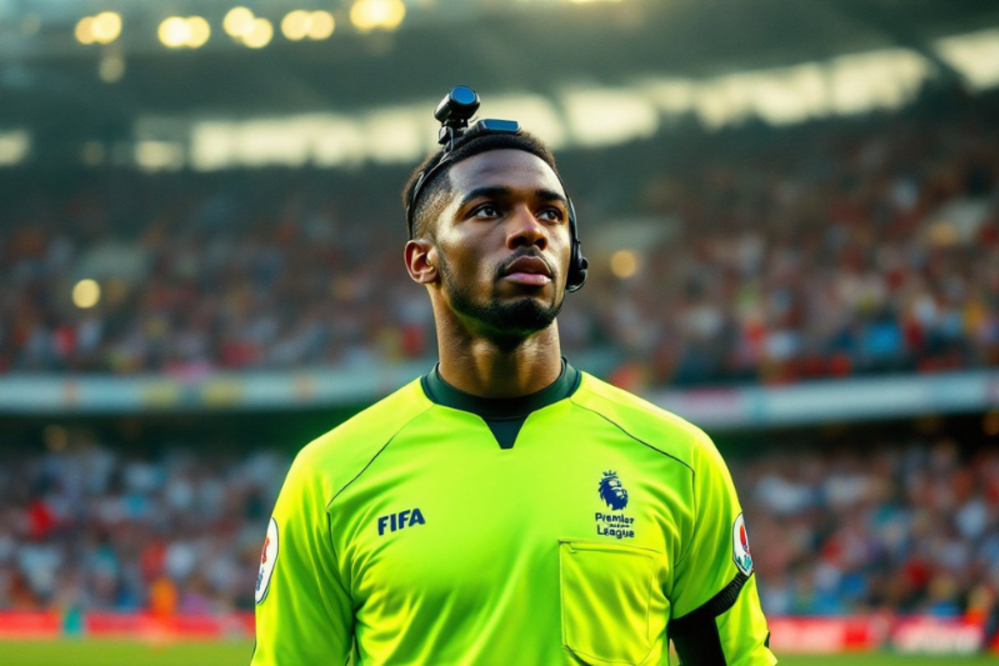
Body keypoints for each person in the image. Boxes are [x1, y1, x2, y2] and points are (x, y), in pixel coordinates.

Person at [252, 87, 775, 666]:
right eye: (488, 210)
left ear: (573, 256)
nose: (530, 230)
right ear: (422, 260)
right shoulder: (329, 478)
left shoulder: (680, 460)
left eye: (550, 213)